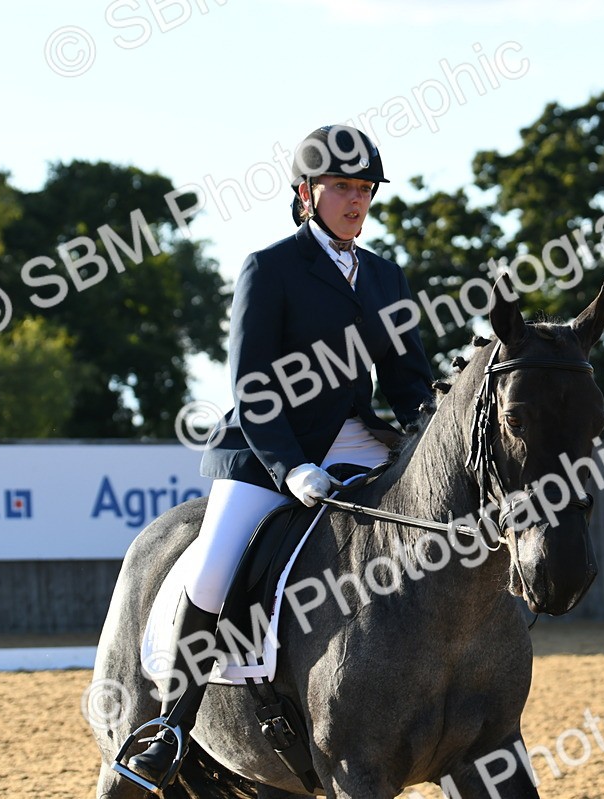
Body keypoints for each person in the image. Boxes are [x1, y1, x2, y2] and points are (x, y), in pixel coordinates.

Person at [128, 124, 434, 785]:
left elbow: (410, 377)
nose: (356, 201)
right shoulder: (270, 267)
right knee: (213, 567)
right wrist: (290, 466)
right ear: (306, 193)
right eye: (342, 188)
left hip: (353, 435)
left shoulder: (384, 276)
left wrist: (423, 430)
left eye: (364, 189)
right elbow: (253, 386)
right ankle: (172, 724)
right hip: (267, 446)